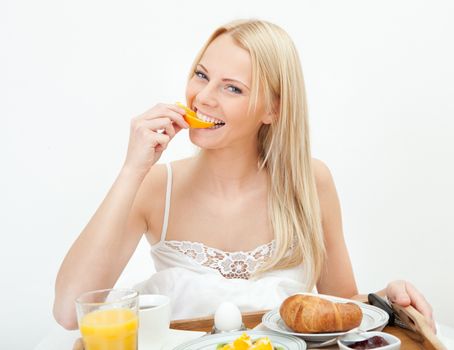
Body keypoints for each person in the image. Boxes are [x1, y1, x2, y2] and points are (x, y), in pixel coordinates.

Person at [53, 19, 435, 331]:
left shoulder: (311, 183)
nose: (203, 98)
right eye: (201, 75)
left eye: (232, 88)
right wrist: (132, 168)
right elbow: (71, 313)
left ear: (273, 109)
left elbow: (340, 305)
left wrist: (388, 298)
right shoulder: (156, 186)